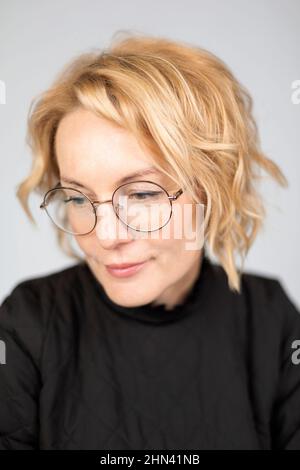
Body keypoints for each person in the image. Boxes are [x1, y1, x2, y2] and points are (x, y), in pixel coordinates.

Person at [0, 33, 299, 450]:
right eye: (78, 198)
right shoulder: (28, 324)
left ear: (210, 189)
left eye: (142, 194)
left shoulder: (272, 323)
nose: (105, 236)